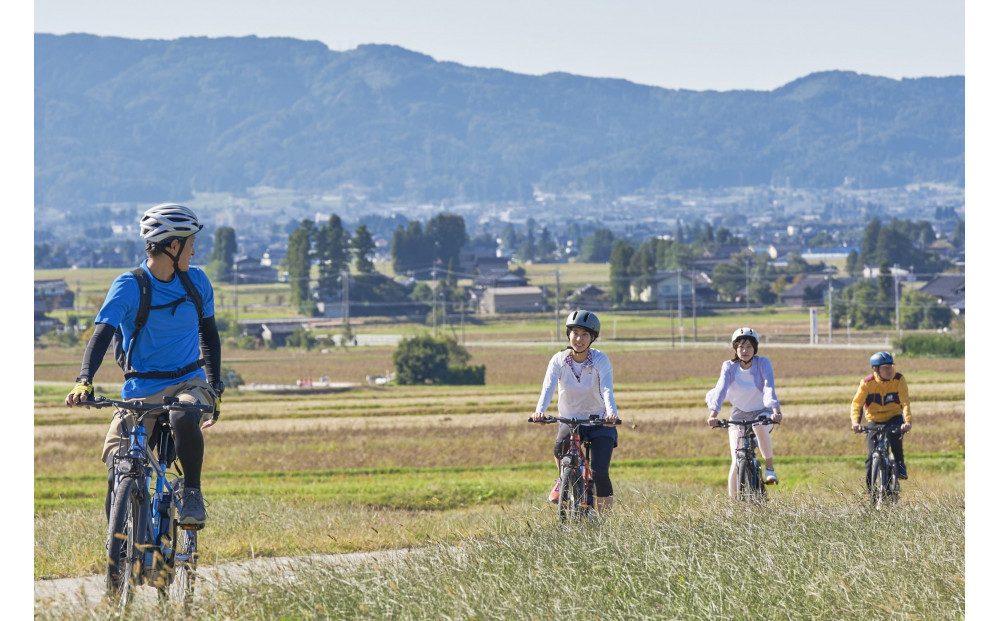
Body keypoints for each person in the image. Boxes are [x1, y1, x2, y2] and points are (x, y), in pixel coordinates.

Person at [65, 203, 224, 526]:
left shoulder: (197, 282)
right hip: (140, 389)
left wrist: (215, 385)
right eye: (191, 245)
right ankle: (121, 548)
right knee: (119, 465)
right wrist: (84, 380)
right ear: (173, 246)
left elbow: (209, 336)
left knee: (183, 413)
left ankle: (192, 492)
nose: (194, 253)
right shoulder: (129, 285)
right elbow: (101, 335)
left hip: (188, 382)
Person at [531, 310, 620, 513]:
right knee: (559, 449)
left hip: (599, 422)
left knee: (599, 472)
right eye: (575, 333)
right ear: (568, 334)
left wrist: (611, 414)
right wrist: (539, 412)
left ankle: (603, 519)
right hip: (570, 421)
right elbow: (548, 387)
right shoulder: (559, 360)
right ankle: (563, 479)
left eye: (585, 334)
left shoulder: (600, 360)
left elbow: (607, 389)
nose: (579, 339)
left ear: (593, 338)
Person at [706, 327, 784, 499]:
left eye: (749, 346)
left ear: (755, 348)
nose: (745, 350)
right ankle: (733, 505)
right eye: (741, 346)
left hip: (763, 411)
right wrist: (713, 414)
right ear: (735, 348)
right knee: (736, 458)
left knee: (758, 425)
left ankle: (769, 468)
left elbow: (769, 386)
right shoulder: (729, 367)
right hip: (739, 414)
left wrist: (776, 411)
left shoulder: (763, 363)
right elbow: (720, 389)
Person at [851, 351, 912, 482]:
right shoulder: (867, 383)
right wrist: (855, 423)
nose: (889, 370)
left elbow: (905, 402)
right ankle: (870, 491)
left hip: (894, 417)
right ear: (875, 369)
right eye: (885, 368)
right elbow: (857, 404)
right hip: (874, 420)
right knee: (870, 456)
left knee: (896, 442)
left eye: (890, 366)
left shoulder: (899, 379)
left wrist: (907, 421)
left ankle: (900, 466)